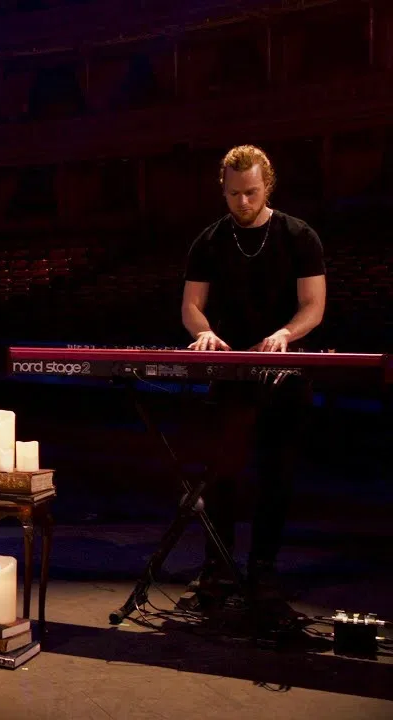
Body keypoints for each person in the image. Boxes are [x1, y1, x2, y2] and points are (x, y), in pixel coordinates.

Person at [180, 145, 325, 612]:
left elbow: (313, 305)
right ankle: (217, 566)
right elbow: (191, 306)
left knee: (275, 474)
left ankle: (263, 567)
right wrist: (204, 333)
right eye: (233, 194)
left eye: (251, 192)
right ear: (222, 190)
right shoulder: (208, 241)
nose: (242, 202)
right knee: (221, 474)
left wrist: (285, 333)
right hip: (230, 370)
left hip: (284, 371)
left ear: (269, 187)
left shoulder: (298, 235)